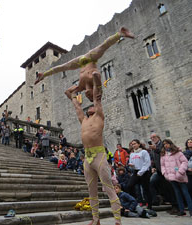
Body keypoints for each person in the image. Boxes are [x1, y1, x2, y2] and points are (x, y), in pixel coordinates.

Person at [65, 73, 121, 225]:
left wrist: (94, 80)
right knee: (92, 191)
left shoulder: (99, 116)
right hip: (87, 157)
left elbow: (97, 96)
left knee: (109, 188)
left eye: (92, 106)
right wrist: (77, 88)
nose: (90, 107)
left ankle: (117, 220)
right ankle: (96, 219)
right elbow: (71, 98)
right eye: (88, 106)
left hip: (99, 155)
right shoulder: (83, 119)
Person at [35, 27, 134, 102]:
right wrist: (98, 92)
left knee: (63, 67)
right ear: (94, 93)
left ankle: (44, 75)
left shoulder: (80, 87)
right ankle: (120, 34)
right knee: (103, 46)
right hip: (91, 59)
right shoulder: (96, 84)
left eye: (88, 97)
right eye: (91, 96)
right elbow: (97, 76)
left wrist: (75, 100)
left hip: (81, 63)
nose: (87, 95)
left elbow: (67, 92)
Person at [160, 139, 192, 217]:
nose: (165, 145)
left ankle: (191, 210)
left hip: (180, 176)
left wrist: (180, 172)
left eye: (167, 143)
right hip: (171, 177)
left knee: (185, 193)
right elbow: (162, 165)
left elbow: (184, 162)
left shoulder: (178, 152)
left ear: (171, 144)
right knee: (177, 193)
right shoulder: (164, 154)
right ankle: (181, 210)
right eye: (164, 144)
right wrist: (165, 174)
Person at [149, 133, 178, 213]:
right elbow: (154, 158)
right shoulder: (153, 147)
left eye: (154, 137)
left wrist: (155, 149)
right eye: (151, 138)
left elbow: (164, 153)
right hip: (159, 170)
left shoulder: (163, 144)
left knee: (169, 187)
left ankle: (175, 205)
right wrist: (153, 167)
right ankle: (161, 200)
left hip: (167, 170)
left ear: (158, 137)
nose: (152, 139)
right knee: (156, 184)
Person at [126, 139, 153, 211]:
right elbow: (132, 163)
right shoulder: (132, 154)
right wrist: (131, 165)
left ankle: (150, 205)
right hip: (136, 171)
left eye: (135, 144)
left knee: (146, 189)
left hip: (144, 172)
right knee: (129, 185)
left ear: (138, 144)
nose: (133, 145)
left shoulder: (143, 152)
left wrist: (141, 172)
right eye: (132, 144)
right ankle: (133, 202)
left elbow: (147, 163)